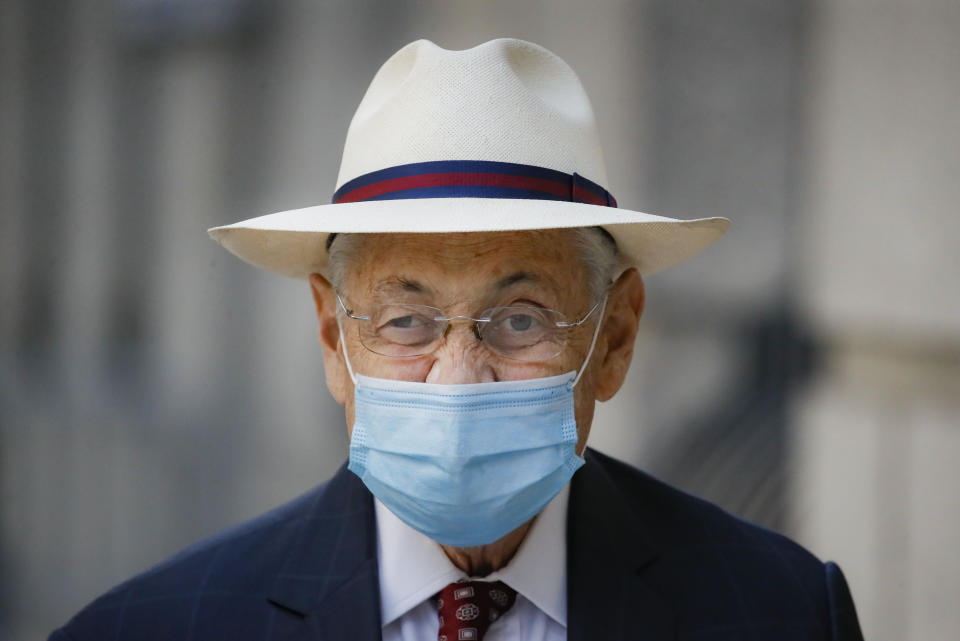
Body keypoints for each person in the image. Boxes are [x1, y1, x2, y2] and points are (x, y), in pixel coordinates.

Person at [50, 38, 864, 641]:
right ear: (335, 339)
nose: (459, 380)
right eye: (407, 321)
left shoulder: (779, 612)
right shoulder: (152, 629)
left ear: (614, 337)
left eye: (520, 319)